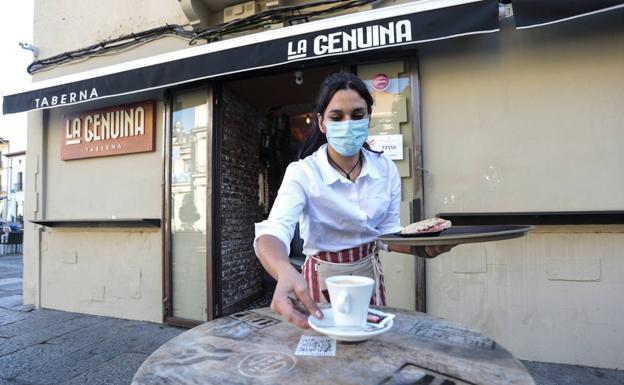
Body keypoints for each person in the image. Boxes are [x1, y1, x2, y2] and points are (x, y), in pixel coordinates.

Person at [254, 72, 453, 329]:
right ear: (322, 123)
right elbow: (275, 231)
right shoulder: (303, 172)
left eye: (357, 115)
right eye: (337, 117)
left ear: (369, 118)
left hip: (369, 275)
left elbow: (387, 235)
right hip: (321, 279)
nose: (348, 124)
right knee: (323, 352)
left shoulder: (386, 170)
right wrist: (284, 270)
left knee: (369, 345)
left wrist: (424, 247)